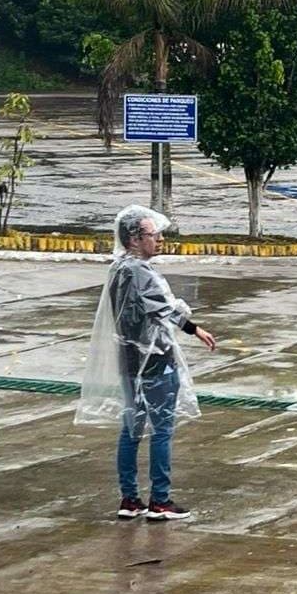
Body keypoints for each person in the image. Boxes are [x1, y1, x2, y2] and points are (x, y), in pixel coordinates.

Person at [77, 206, 217, 521]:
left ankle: (130, 499)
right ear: (135, 238)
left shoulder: (118, 269)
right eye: (154, 235)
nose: (161, 240)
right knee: (162, 430)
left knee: (132, 428)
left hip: (130, 361)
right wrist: (196, 329)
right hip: (155, 362)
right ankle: (160, 500)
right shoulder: (139, 271)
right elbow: (164, 310)